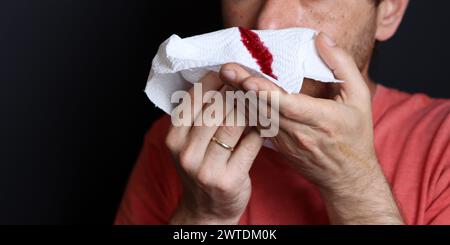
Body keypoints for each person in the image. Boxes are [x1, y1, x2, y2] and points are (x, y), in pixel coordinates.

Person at [115, 0, 450, 224]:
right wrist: (202, 215)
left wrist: (355, 184)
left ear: (388, 11)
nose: (267, 21)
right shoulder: (180, 145)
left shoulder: (442, 143)